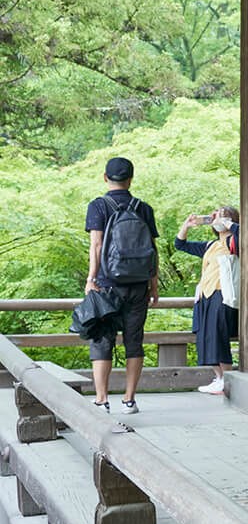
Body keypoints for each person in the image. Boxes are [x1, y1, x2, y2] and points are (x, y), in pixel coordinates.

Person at [83, 156, 159, 414]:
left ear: (105, 177)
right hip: (138, 285)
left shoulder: (98, 206)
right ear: (130, 179)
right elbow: (152, 250)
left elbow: (96, 244)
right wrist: (154, 285)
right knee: (134, 341)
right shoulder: (143, 208)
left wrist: (91, 278)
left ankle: (102, 400)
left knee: (102, 340)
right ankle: (129, 400)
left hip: (107, 284)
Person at [174, 206, 239, 396]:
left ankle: (227, 379)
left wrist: (226, 221)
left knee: (218, 337)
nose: (217, 218)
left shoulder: (235, 242)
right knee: (206, 338)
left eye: (222, 216)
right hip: (205, 295)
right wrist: (186, 226)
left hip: (222, 293)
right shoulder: (211, 245)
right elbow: (180, 244)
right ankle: (218, 378)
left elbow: (244, 233)